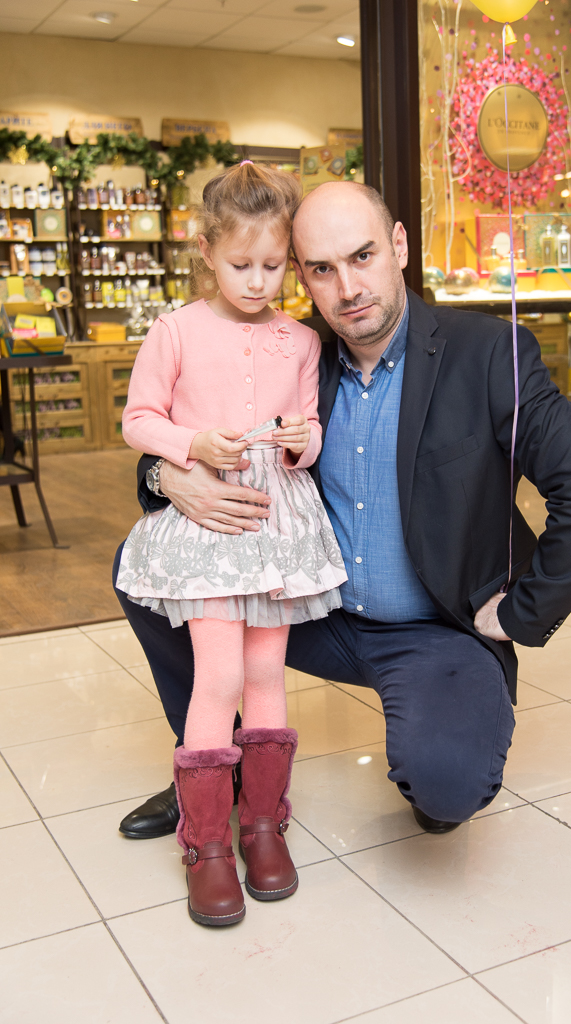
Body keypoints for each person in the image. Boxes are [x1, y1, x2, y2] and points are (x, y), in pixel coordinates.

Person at [115, 180, 571, 848]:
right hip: (311, 607)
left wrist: (520, 614)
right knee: (147, 576)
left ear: (399, 246)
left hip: (433, 628)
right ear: (302, 276)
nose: (348, 288)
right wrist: (163, 476)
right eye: (322, 269)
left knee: (447, 787)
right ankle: (216, 761)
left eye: (362, 257)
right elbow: (180, 429)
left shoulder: (487, 354)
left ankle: (431, 746)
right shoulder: (299, 352)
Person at [115, 162, 346, 927]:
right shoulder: (175, 330)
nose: (257, 282)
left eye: (273, 266)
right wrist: (192, 444)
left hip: (275, 521)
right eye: (241, 264)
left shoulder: (301, 341)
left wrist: (300, 440)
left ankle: (263, 825)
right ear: (207, 250)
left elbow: (312, 431)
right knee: (216, 677)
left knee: (267, 673)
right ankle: (207, 843)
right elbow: (138, 420)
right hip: (212, 521)